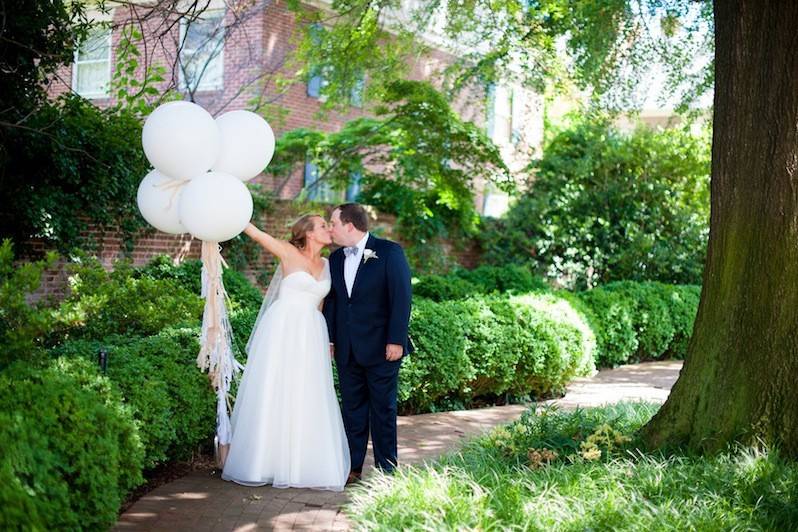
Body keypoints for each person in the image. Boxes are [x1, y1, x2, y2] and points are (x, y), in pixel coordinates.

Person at [221, 215, 350, 491]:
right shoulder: (288, 252)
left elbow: (320, 303)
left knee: (307, 391)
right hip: (283, 328)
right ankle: (263, 463)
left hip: (312, 331)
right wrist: (231, 208)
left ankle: (303, 463)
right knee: (276, 388)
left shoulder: (328, 264)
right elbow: (256, 234)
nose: (329, 228)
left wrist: (326, 341)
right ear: (309, 233)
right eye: (323, 225)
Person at [323, 203, 412, 483]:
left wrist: (395, 340)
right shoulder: (336, 259)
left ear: (349, 225)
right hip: (348, 349)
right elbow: (335, 303)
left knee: (383, 409)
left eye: (333, 223)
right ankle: (353, 467)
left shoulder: (389, 252)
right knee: (352, 409)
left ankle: (387, 469)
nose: (330, 229)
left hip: (382, 348)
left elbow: (401, 298)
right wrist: (331, 338)